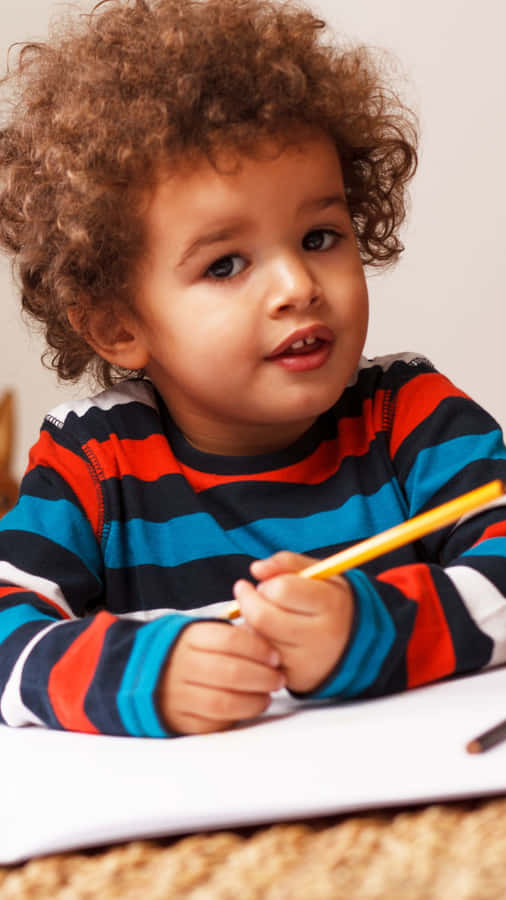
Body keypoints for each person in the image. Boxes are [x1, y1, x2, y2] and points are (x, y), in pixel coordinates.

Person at [0, 0, 505, 739]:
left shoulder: (413, 414)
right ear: (118, 325)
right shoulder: (92, 460)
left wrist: (372, 630)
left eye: (320, 235)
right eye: (226, 264)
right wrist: (140, 673)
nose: (298, 285)